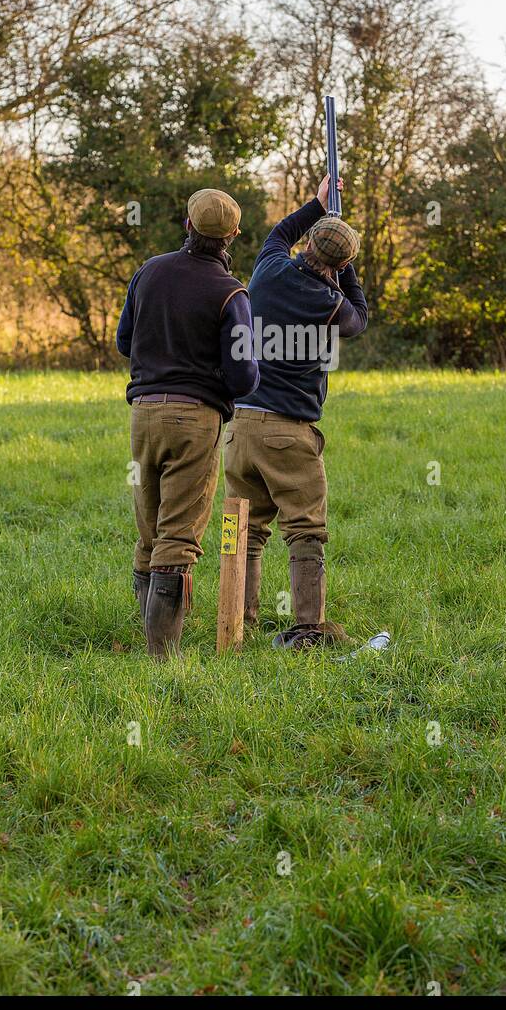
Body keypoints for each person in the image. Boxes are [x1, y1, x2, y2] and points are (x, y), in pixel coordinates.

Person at [223, 174, 367, 649]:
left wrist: (318, 205)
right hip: (289, 432)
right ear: (341, 264)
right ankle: (309, 627)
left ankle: (237, 622)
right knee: (306, 529)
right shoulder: (328, 303)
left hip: (239, 425)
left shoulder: (267, 269)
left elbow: (279, 233)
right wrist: (343, 268)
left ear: (306, 244)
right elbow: (358, 319)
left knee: (244, 529)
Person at [116, 189, 259, 657]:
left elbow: (124, 342)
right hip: (194, 421)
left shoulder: (148, 272)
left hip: (142, 415)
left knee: (150, 529)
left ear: (187, 225)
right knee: (178, 536)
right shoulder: (230, 293)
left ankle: (151, 640)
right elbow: (242, 377)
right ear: (232, 236)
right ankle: (163, 658)